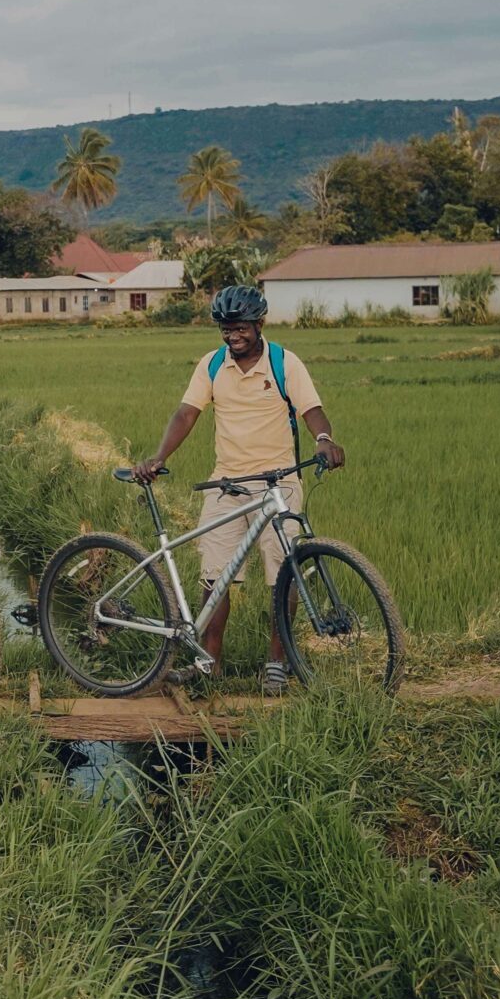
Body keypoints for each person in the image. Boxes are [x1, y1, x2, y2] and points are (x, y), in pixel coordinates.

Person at [133, 284, 346, 696]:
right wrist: (158, 457)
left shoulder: (284, 363)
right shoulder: (212, 365)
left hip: (279, 483)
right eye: (226, 329)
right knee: (214, 578)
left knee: (284, 575)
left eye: (241, 328)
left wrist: (323, 439)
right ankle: (208, 664)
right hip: (226, 483)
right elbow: (186, 413)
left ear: (259, 324)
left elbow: (312, 411)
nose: (233, 336)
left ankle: (277, 664)